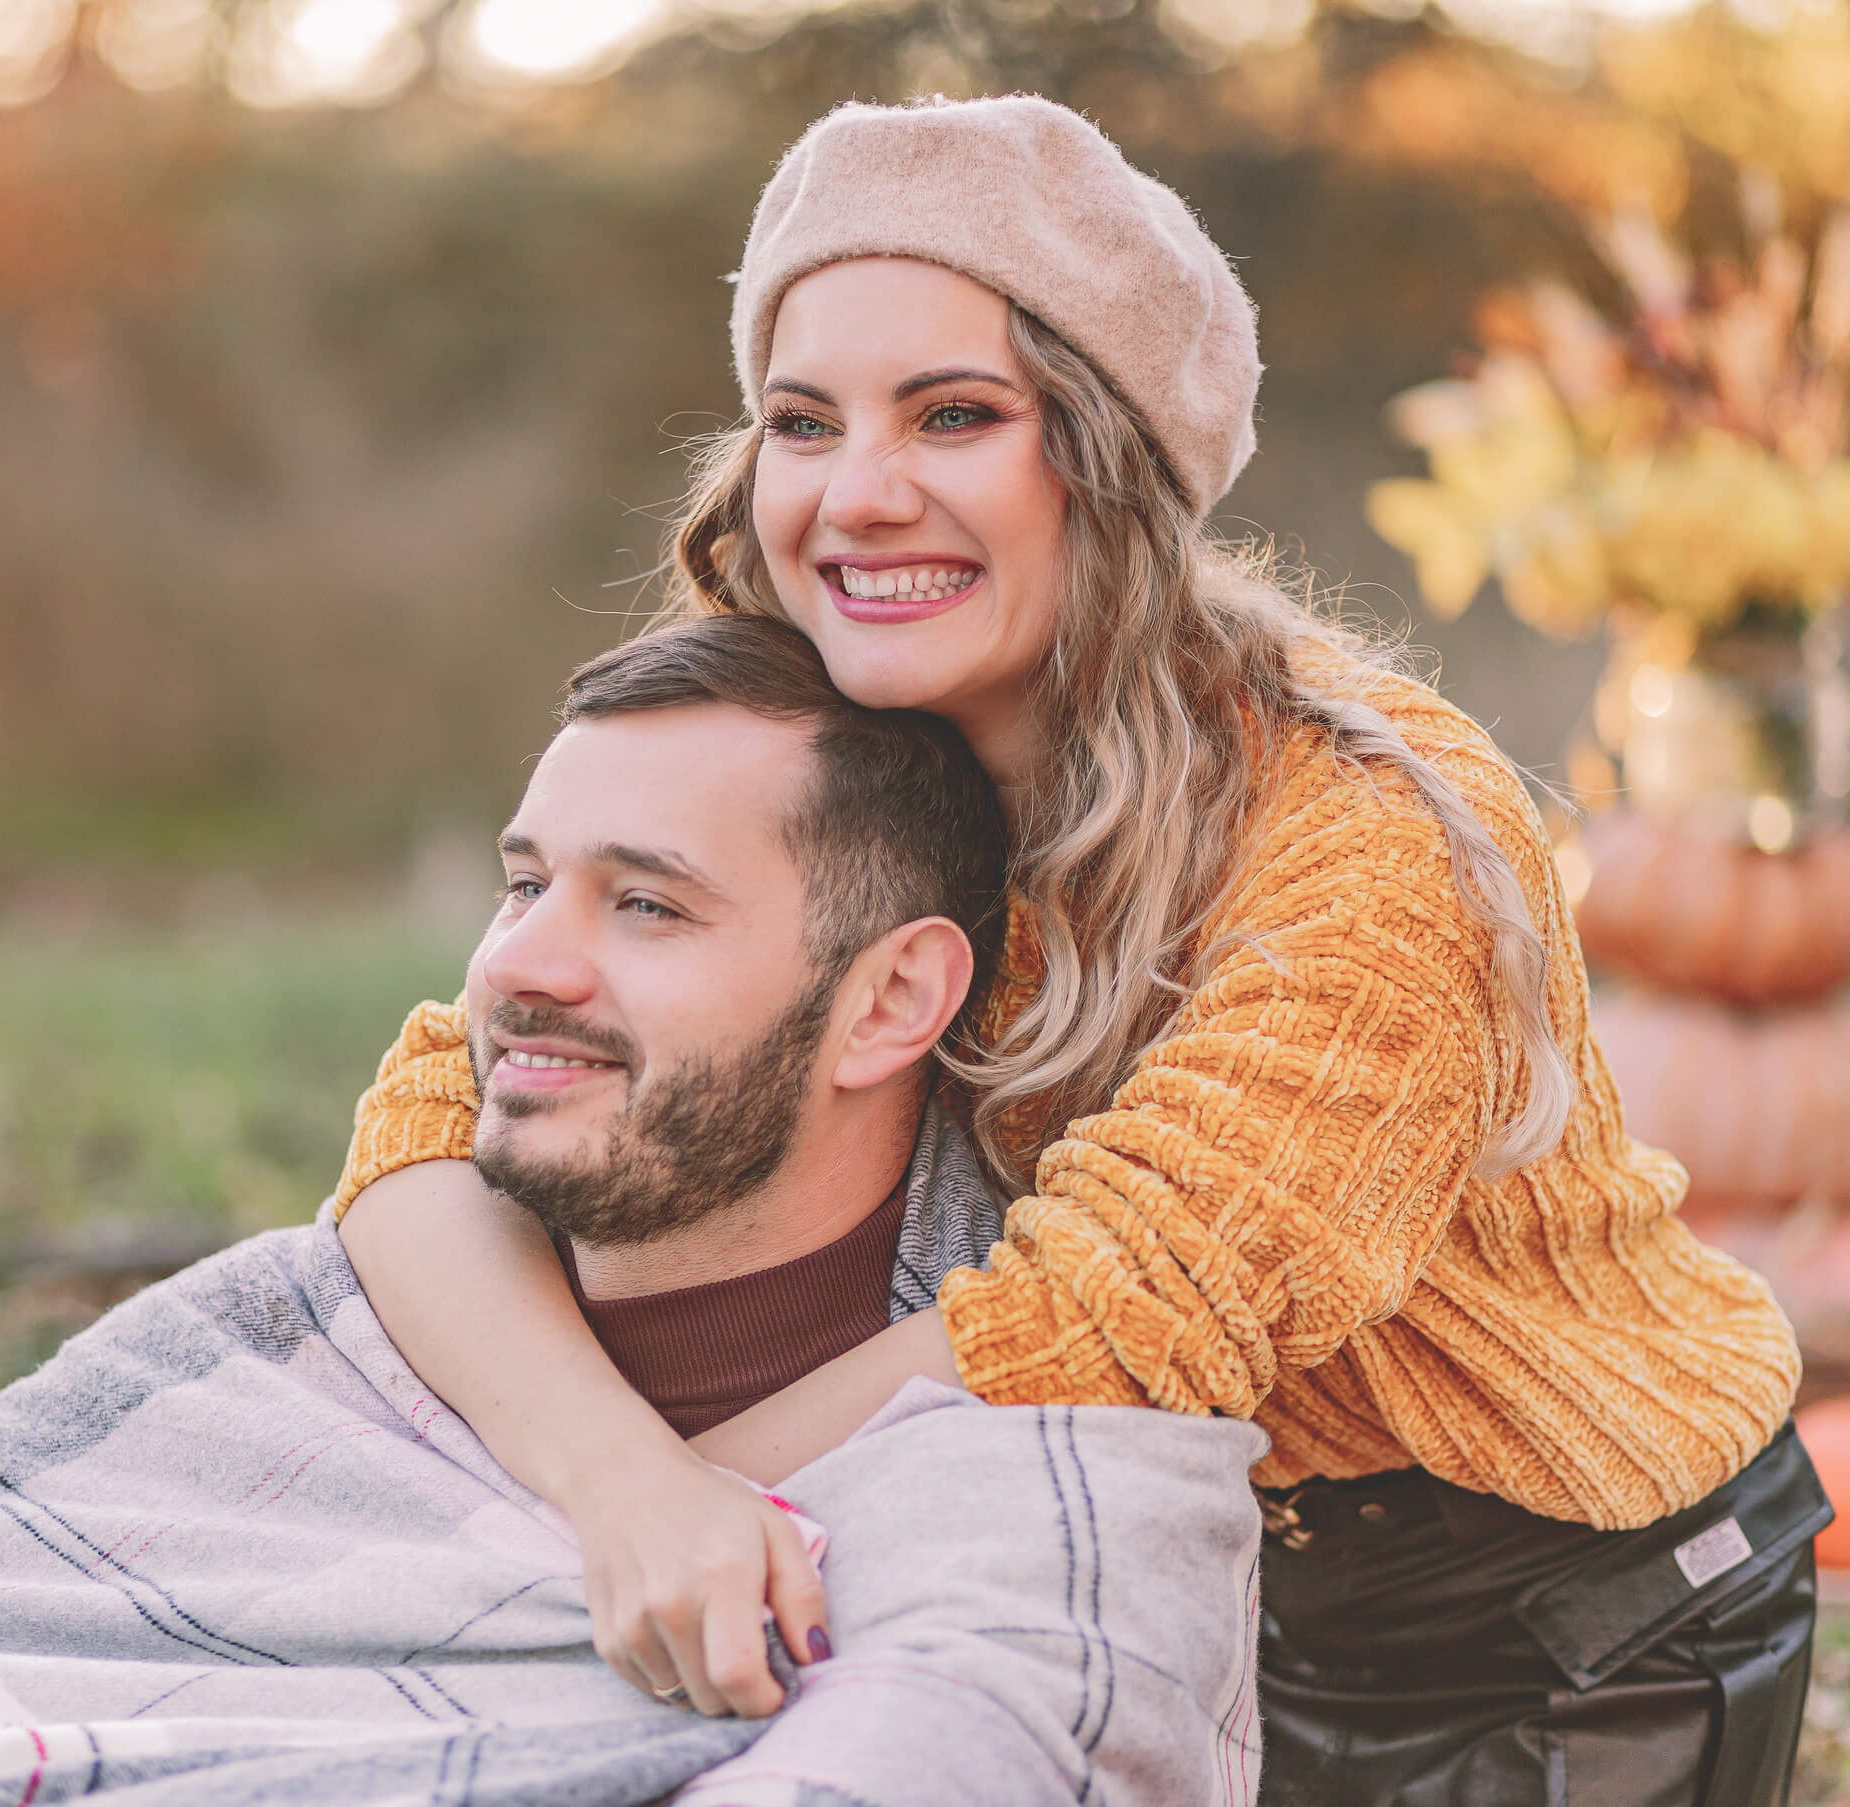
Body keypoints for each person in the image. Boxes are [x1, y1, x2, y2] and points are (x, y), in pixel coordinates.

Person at [330, 94, 1831, 1804]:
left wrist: (633, 1532)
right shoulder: (793, 745)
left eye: (955, 415)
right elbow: (444, 1109)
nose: (858, 496)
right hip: (1163, 1551)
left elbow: (1117, 1314)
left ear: (1106, 457)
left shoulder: (1366, 833)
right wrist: (617, 1494)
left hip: (1561, 1609)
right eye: (803, 422)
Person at [0, 617, 1269, 1807]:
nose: (521, 965)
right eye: (524, 884)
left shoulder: (1048, 1474)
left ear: (892, 1002)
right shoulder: (310, 1338)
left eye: (648, 907)